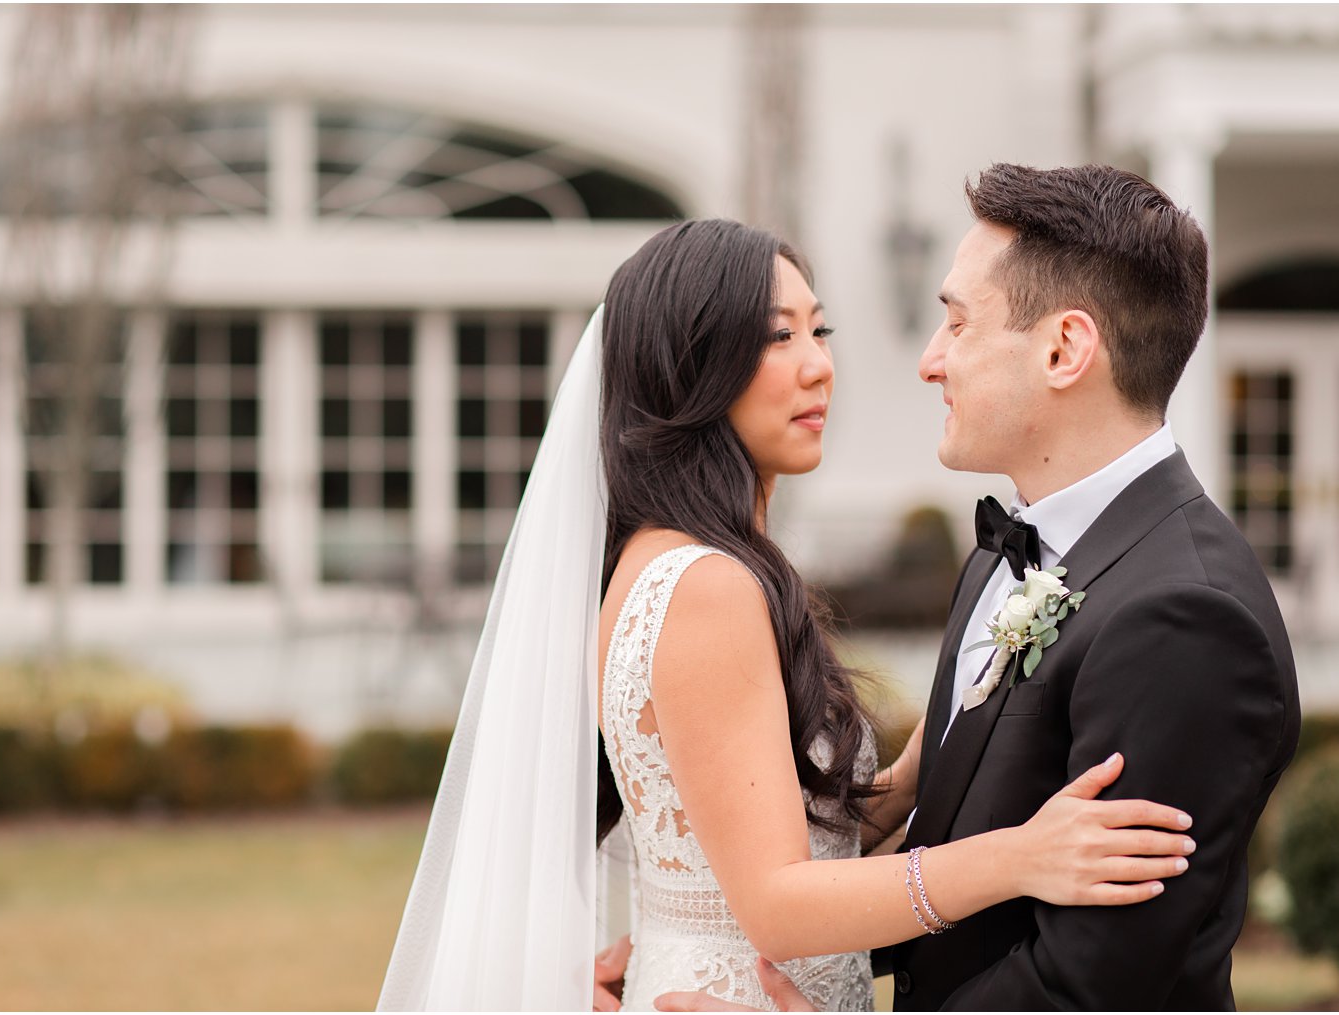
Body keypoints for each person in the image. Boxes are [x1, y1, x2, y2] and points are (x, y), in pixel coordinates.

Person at [377, 215, 1195, 1013]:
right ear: (690, 367)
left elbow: (774, 825)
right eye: (778, 338)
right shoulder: (706, 585)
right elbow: (776, 900)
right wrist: (1021, 857)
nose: (818, 366)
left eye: (821, 329)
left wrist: (928, 762)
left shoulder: (665, 558)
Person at [650, 166, 1300, 1012]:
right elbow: (953, 847)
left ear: (1065, 350)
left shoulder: (1188, 618)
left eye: (956, 322)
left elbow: (1092, 980)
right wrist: (699, 953)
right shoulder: (1001, 557)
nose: (929, 361)